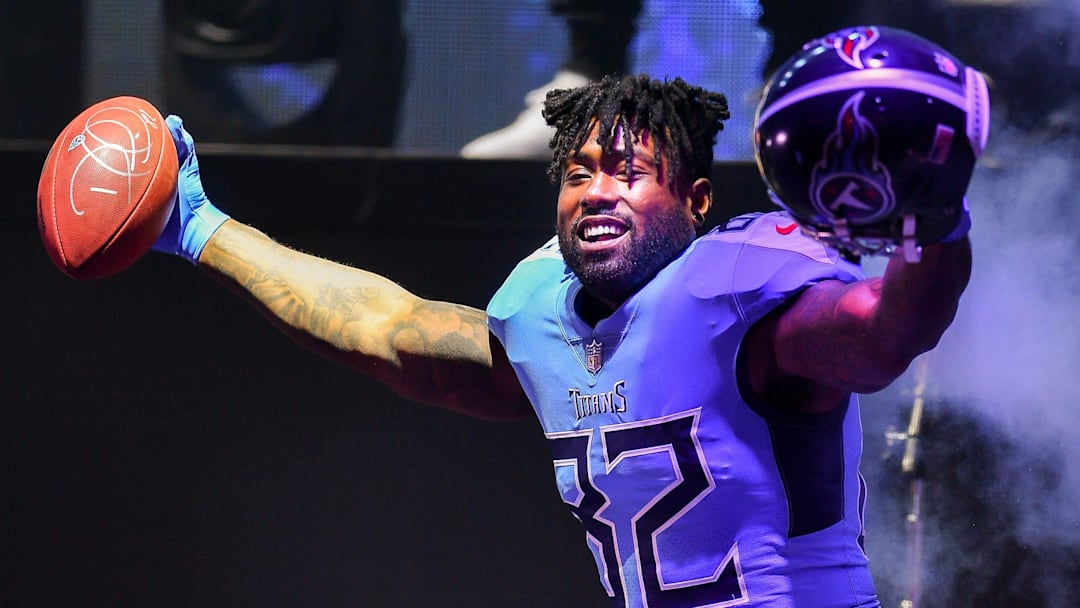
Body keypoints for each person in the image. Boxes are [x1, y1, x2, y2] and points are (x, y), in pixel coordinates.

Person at [149, 28, 980, 606]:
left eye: (628, 171)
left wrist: (935, 225)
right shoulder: (543, 315)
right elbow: (387, 327)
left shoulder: (742, 298)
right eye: (578, 173)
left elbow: (881, 334)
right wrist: (201, 230)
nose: (596, 191)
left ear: (694, 203)